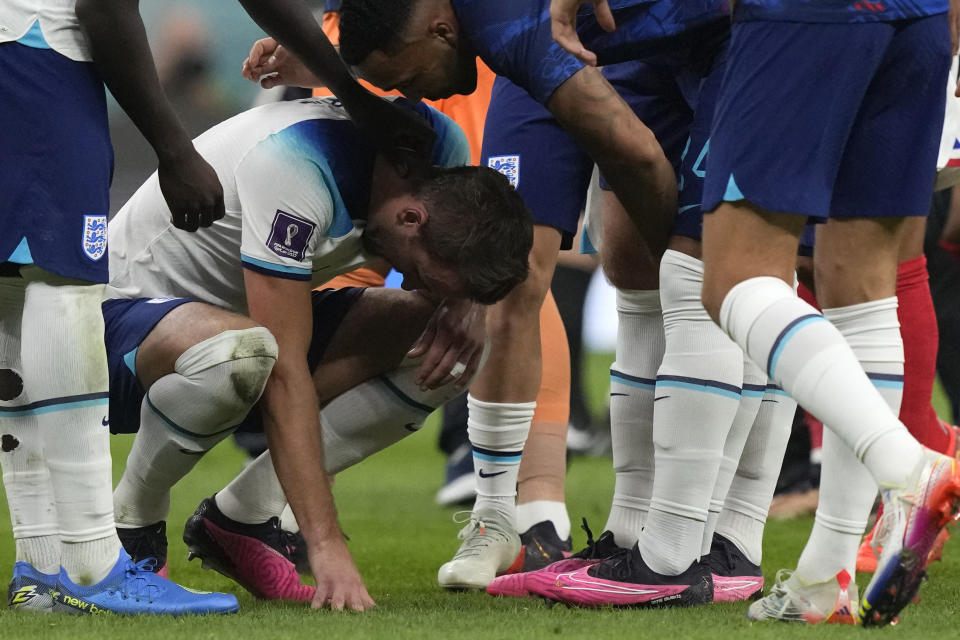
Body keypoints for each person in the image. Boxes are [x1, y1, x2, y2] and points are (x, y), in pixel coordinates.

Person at [242, 0, 743, 593]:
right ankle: (511, 519)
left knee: (709, 271)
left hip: (700, 48)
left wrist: (687, 256)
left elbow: (637, 157)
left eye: (400, 78)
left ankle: (717, 538)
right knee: (509, 272)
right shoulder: (472, 34)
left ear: (441, 29)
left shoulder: (507, 24)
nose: (405, 93)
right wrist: (320, 54)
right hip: (541, 53)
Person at [104, 95, 533, 611]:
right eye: (421, 272)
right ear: (413, 217)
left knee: (445, 348)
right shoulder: (293, 170)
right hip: (124, 321)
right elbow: (285, 369)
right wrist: (326, 545)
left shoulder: (444, 153)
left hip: (237, 328)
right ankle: (133, 521)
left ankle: (241, 517)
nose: (417, 283)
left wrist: (466, 304)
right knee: (247, 354)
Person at [669, 0, 956, 626]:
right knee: (861, 285)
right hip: (921, 20)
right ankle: (826, 581)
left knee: (734, 280)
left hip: (803, 17)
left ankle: (907, 467)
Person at [1, 0, 239, 615]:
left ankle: (41, 566)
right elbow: (103, 6)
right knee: (60, 284)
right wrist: (174, 148)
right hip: (37, 52)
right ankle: (92, 565)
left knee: (7, 297)